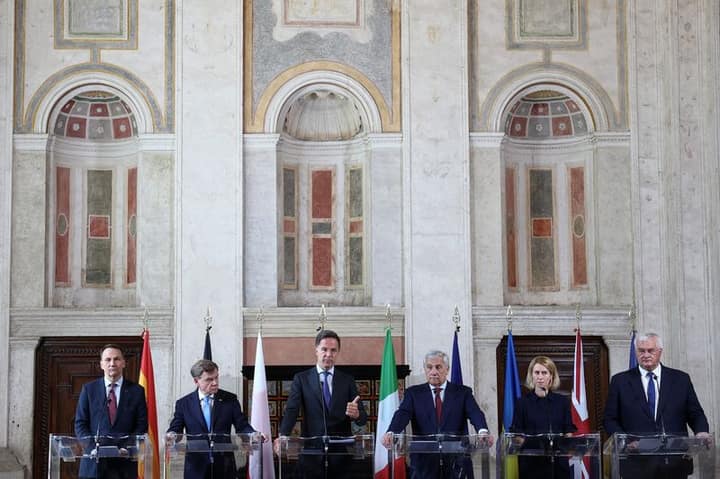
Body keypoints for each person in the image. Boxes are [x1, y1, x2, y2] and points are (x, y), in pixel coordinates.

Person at [603, 332, 711, 479]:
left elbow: (695, 413)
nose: (646, 355)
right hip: (636, 463)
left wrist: (701, 431)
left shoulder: (680, 379)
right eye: (641, 351)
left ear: (660, 351)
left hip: (674, 463)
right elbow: (609, 419)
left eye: (650, 350)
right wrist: (626, 441)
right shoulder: (620, 381)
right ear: (635, 352)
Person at [381, 350, 493, 479]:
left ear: (447, 369)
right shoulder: (413, 393)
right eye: (429, 367)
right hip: (424, 463)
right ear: (425, 369)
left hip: (456, 461)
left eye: (438, 367)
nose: (433, 372)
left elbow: (475, 412)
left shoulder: (463, 392)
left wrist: (482, 431)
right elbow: (402, 414)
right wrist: (392, 432)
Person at [274, 329, 368, 478]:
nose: (328, 354)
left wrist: (357, 414)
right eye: (324, 349)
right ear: (316, 350)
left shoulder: (347, 380)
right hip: (311, 452)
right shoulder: (302, 379)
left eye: (333, 350)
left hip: (341, 455)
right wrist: (283, 436)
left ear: (338, 352)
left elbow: (362, 419)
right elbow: (292, 410)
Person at [167, 359, 258, 479]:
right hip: (196, 467)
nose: (215, 383)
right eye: (209, 379)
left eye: (216, 377)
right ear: (196, 381)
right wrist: (172, 436)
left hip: (224, 466)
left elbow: (242, 425)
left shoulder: (230, 399)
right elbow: (176, 428)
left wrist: (253, 435)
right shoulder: (184, 404)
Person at [74, 344, 148, 479]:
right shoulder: (89, 390)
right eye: (108, 360)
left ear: (124, 363)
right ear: (101, 364)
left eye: (117, 359)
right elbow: (80, 424)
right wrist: (93, 448)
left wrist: (127, 447)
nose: (112, 363)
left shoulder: (137, 391)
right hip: (93, 465)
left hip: (124, 465)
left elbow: (141, 425)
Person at [510, 356, 576, 478]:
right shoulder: (522, 403)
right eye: (536, 372)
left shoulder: (562, 402)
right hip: (531, 465)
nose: (540, 377)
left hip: (558, 465)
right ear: (531, 375)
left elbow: (568, 431)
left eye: (544, 373)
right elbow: (517, 434)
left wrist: (564, 445)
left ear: (551, 376)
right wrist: (535, 446)